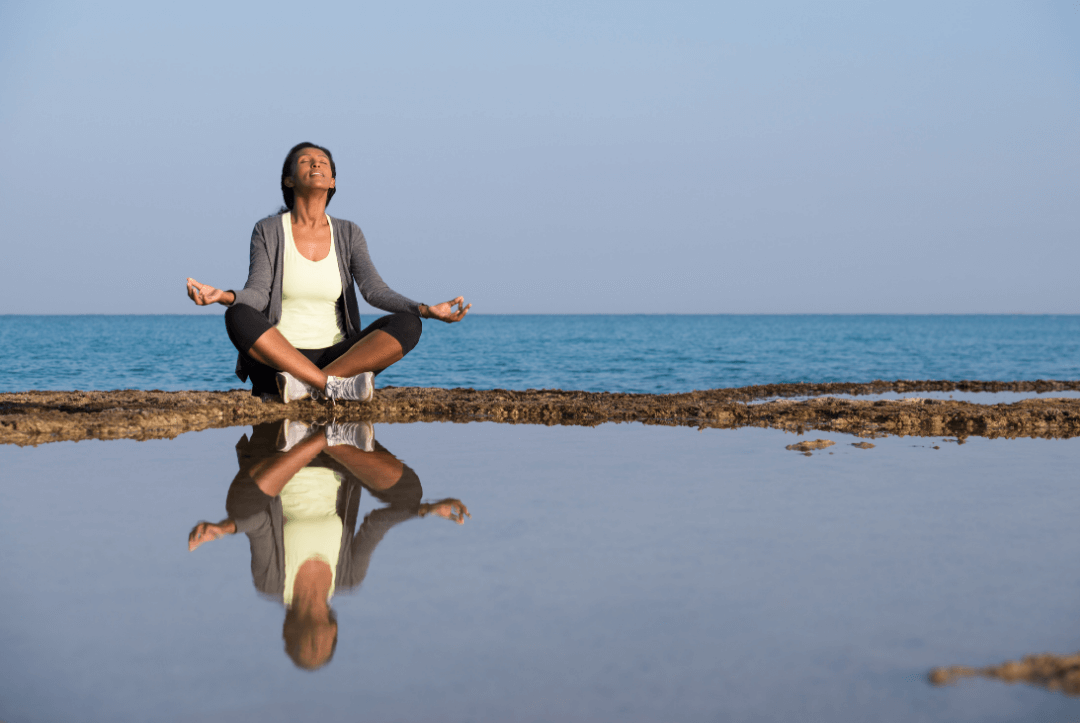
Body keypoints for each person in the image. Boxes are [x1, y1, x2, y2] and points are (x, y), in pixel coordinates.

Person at [185, 142, 469, 402]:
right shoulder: (268, 230)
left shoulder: (348, 232)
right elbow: (258, 294)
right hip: (279, 362)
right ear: (289, 179)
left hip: (339, 358)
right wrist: (225, 295)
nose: (316, 164)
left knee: (409, 324)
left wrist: (424, 309)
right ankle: (327, 386)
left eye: (323, 161)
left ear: (332, 181)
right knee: (237, 315)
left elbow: (374, 290)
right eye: (305, 161)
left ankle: (308, 386)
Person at [188, 420, 469, 670]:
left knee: (241, 506)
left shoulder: (271, 584)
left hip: (282, 458)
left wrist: (225, 528)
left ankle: (313, 437)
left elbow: (259, 524)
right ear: (334, 634)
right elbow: (376, 526)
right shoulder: (348, 578)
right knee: (410, 494)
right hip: (338, 462)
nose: (311, 651)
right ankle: (329, 436)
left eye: (302, 653)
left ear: (287, 635)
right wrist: (428, 509)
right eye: (320, 653)